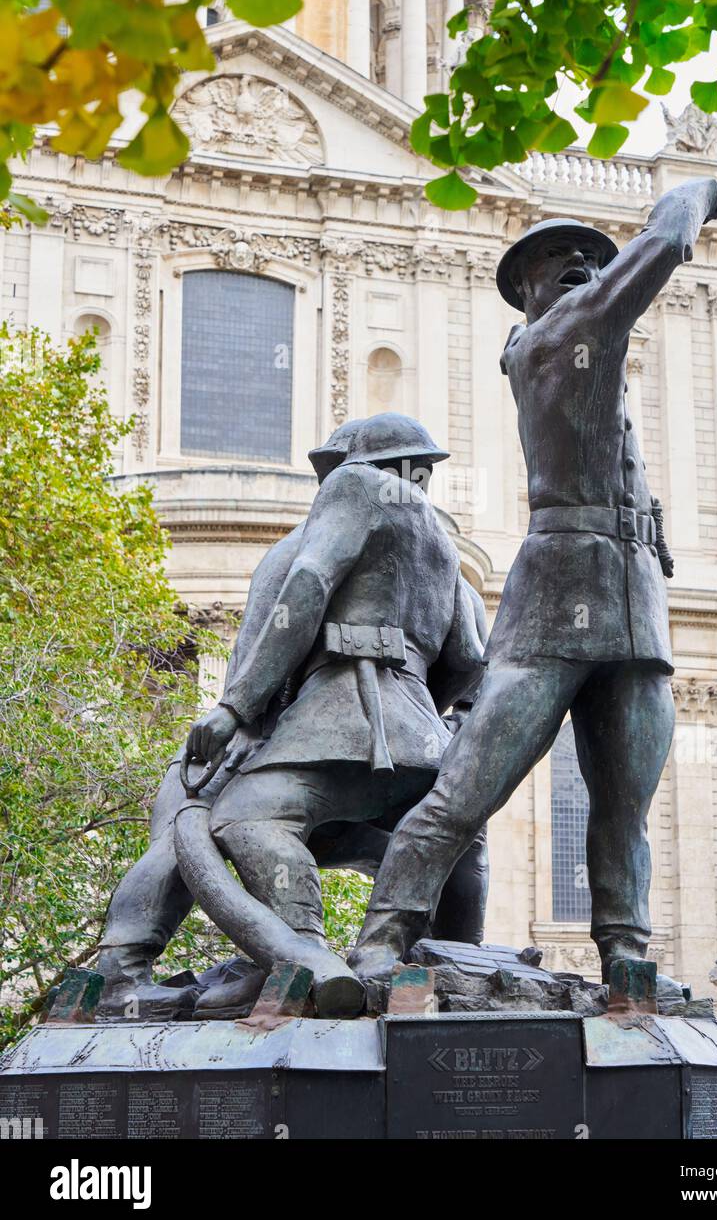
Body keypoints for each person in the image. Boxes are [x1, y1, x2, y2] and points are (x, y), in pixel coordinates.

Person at [350, 177, 717, 983]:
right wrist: (700, 193)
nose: (581, 268)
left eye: (591, 259)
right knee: (468, 787)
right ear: (525, 290)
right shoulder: (558, 337)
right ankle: (382, 939)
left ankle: (626, 957)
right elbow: (661, 244)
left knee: (625, 807)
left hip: (631, 603)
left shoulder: (593, 351)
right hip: (559, 591)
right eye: (556, 259)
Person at [94, 417, 487, 1019]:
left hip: (336, 727)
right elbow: (467, 662)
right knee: (444, 842)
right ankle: (448, 961)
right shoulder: (444, 553)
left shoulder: (345, 497)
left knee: (216, 813)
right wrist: (424, 718)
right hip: (420, 745)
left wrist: (235, 710)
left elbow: (295, 598)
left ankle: (275, 957)